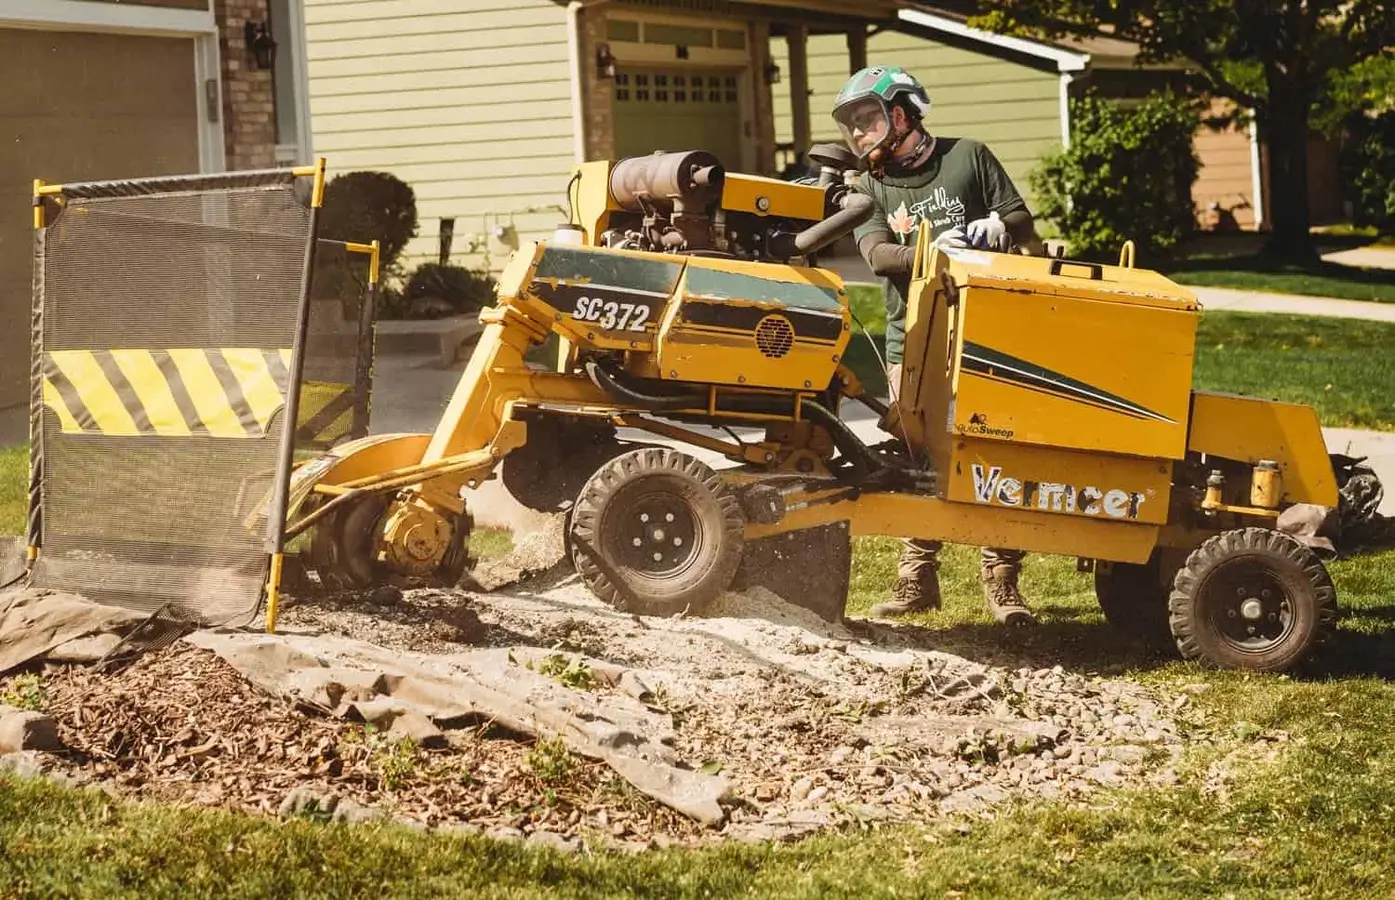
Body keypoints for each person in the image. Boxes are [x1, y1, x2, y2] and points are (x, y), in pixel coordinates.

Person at [831, 65, 1043, 627]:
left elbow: (1023, 225)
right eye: (852, 125)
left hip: (987, 340)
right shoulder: (869, 188)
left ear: (900, 114)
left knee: (996, 452)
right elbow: (877, 255)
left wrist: (999, 226)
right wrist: (931, 249)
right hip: (914, 340)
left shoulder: (968, 156)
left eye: (866, 120)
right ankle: (916, 577)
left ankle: (1002, 582)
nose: (858, 134)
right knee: (915, 453)